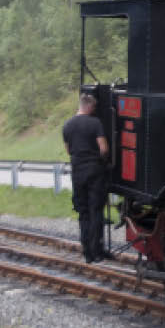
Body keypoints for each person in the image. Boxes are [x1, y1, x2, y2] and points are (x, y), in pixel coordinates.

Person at [62, 93, 109, 264]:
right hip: (95, 170)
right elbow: (103, 148)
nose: (95, 110)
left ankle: (87, 252)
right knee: (96, 210)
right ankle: (97, 251)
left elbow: (68, 150)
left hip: (77, 171)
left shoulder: (67, 125)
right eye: (94, 107)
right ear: (89, 106)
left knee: (83, 212)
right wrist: (103, 160)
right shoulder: (95, 123)